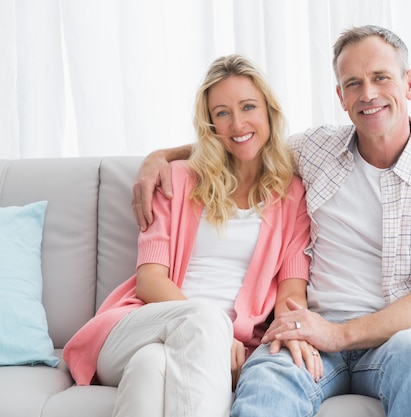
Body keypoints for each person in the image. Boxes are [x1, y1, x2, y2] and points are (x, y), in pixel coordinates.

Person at [133, 25, 411, 417]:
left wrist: (339, 335)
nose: (368, 94)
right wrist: (161, 156)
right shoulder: (318, 150)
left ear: (410, 83)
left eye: (380, 77)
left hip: (400, 340)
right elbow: (245, 142)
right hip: (311, 334)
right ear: (340, 97)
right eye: (353, 83)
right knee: (269, 376)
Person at [63, 54, 321, 417]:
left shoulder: (292, 194)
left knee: (150, 369)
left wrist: (292, 331)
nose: (237, 123)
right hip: (137, 328)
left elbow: (291, 291)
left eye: (248, 107)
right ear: (210, 123)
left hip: (194, 349)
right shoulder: (178, 179)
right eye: (222, 113)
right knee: (204, 319)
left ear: (268, 112)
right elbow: (150, 281)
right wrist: (218, 332)